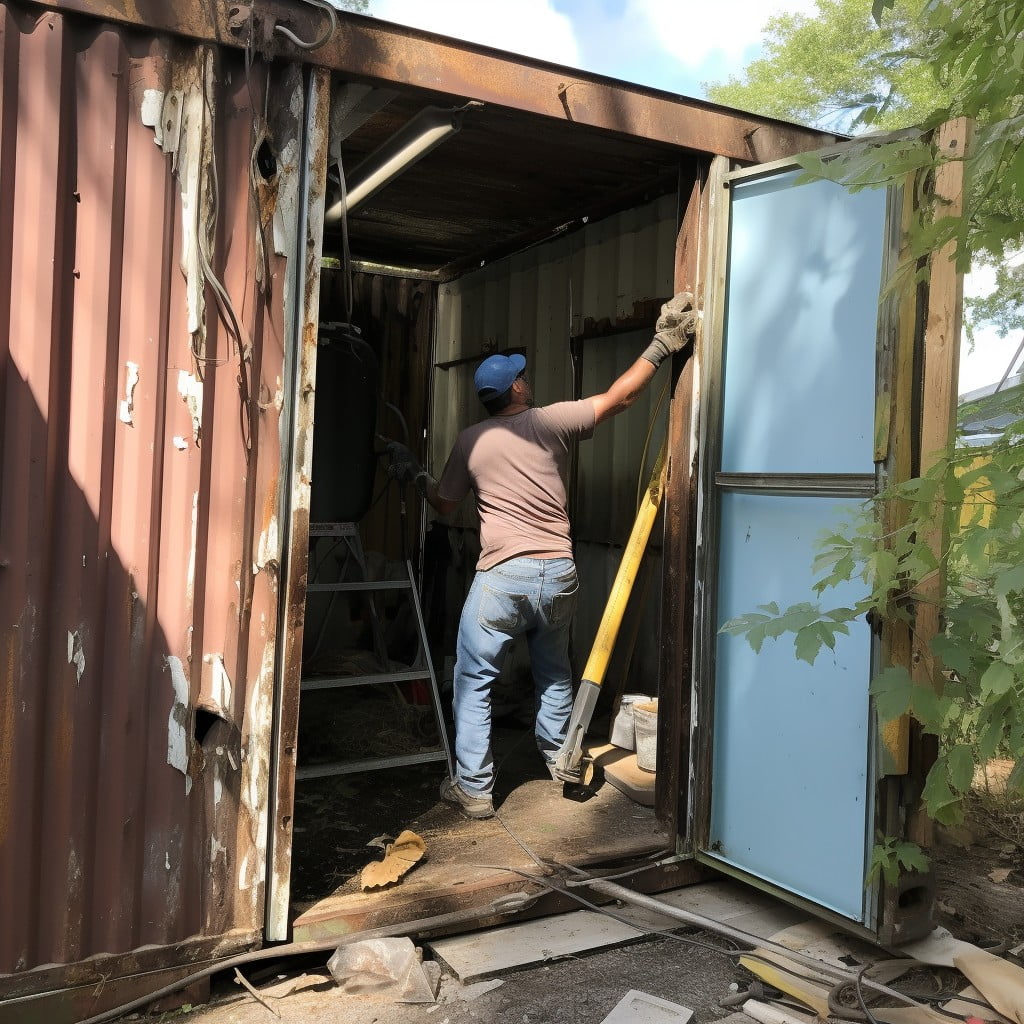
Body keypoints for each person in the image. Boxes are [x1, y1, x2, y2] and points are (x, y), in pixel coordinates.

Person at [386, 294, 695, 819]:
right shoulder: (550, 423)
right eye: (522, 377)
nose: (528, 380)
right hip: (557, 573)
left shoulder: (469, 441)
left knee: (473, 679)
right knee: (554, 672)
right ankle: (561, 757)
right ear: (517, 389)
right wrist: (661, 344)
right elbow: (619, 398)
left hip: (501, 577)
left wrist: (416, 476)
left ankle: (476, 790)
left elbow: (443, 502)